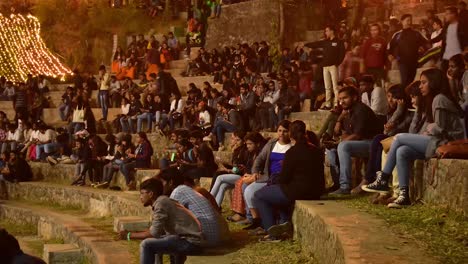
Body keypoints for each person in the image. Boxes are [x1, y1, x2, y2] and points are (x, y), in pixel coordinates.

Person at [362, 68, 465, 208]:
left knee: (398, 138)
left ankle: (383, 179)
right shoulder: (434, 99)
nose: (420, 86)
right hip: (436, 141)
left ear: (434, 83)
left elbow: (440, 128)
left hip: (445, 142)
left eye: (424, 83)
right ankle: (404, 195)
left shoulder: (440, 98)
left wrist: (429, 128)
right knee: (402, 151)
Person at [255, 120, 324, 241]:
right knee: (277, 192)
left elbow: (284, 178)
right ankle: (283, 221)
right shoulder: (317, 151)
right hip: (316, 192)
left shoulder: (292, 152)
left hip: (299, 191)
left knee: (260, 195)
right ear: (305, 132)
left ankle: (272, 233)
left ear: (291, 135)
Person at [117, 178, 203, 264]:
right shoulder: (162, 201)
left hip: (190, 243)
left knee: (146, 244)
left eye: (142, 193)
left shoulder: (161, 203)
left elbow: (154, 233)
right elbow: (156, 231)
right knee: (155, 241)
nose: (140, 197)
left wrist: (129, 235)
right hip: (185, 240)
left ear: (151, 194)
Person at [158, 168, 229, 247]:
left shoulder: (178, 192)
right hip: (213, 235)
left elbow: (166, 221)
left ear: (170, 182)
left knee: (154, 243)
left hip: (206, 238)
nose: (160, 186)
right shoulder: (186, 190)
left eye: (162, 182)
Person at [329, 86, 380, 195]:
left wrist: (341, 142)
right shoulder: (349, 112)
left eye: (345, 98)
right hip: (362, 143)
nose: (341, 101)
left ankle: (345, 186)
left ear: (355, 97)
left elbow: (357, 135)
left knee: (343, 146)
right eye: (340, 99)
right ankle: (337, 184)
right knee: (331, 149)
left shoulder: (360, 109)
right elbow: (346, 134)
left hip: (374, 144)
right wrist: (339, 120)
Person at [241, 121, 291, 230]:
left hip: (281, 179)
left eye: (285, 131)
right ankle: (255, 219)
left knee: (252, 191)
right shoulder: (272, 143)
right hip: (268, 177)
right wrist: (255, 172)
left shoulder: (292, 146)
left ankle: (263, 222)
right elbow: (260, 159)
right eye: (279, 130)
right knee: (247, 189)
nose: (282, 133)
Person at [305, 25, 346, 110]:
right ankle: (328, 105)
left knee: (335, 86)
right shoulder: (326, 42)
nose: (326, 32)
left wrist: (336, 63)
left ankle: (337, 104)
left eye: (327, 31)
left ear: (332, 31)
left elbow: (342, 54)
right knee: (327, 87)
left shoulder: (339, 42)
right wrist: (306, 44)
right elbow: (316, 44)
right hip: (325, 67)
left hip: (333, 66)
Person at [388, 14, 428, 89]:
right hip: (402, 62)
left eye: (410, 20)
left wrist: (422, 48)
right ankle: (405, 98)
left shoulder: (416, 33)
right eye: (407, 20)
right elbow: (391, 47)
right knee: (404, 81)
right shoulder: (397, 35)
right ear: (402, 22)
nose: (409, 22)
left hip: (414, 61)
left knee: (411, 81)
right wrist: (390, 55)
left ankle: (410, 98)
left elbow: (426, 43)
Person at [431, 6, 468, 73]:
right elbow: (440, 36)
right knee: (444, 74)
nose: (445, 16)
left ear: (453, 14)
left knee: (458, 75)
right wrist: (428, 41)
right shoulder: (446, 26)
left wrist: (465, 50)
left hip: (458, 56)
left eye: (447, 14)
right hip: (446, 56)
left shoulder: (463, 25)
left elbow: (465, 38)